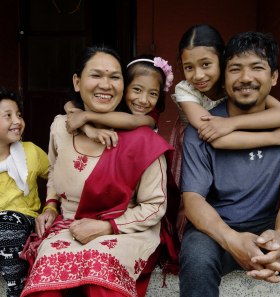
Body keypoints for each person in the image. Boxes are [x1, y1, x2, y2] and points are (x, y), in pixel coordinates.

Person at [20, 45, 174, 297]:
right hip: (69, 226)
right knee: (46, 276)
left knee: (99, 272)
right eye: (96, 75)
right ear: (77, 82)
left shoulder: (145, 138)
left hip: (124, 231)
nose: (106, 84)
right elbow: (54, 174)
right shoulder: (61, 126)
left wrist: (107, 226)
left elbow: (155, 206)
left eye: (114, 77)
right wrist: (49, 206)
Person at [179, 31, 280, 297]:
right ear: (223, 76)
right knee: (197, 259)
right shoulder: (203, 129)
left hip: (269, 222)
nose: (246, 78)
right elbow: (194, 201)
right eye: (235, 69)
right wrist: (232, 240)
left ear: (274, 76)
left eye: (257, 68)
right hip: (215, 227)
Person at [64, 54, 173, 149]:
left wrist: (86, 116)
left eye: (153, 94)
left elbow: (132, 121)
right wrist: (87, 128)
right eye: (137, 89)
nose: (143, 100)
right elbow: (69, 105)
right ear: (124, 87)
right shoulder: (113, 104)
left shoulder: (151, 117)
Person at [0, 87, 49, 297]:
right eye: (8, 116)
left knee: (7, 222)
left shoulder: (31, 151)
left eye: (18, 114)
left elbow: (58, 178)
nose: (17, 121)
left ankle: (16, 288)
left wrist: (50, 207)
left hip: (24, 221)